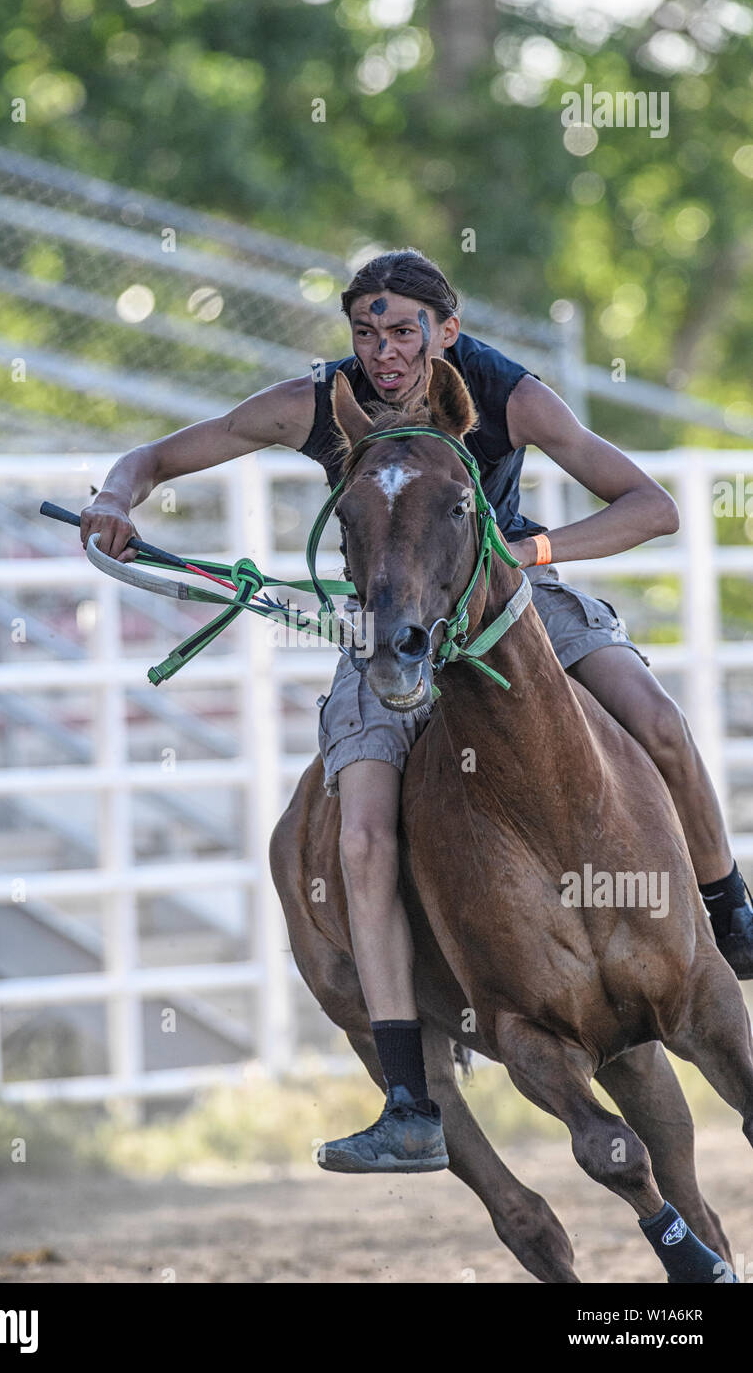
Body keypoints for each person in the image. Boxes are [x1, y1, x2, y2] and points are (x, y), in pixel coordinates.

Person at [80, 247, 753, 1175]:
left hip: (516, 598)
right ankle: (409, 1099)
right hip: (388, 624)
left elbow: (652, 507)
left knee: (659, 721)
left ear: (447, 329)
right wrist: (117, 495)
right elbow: (158, 455)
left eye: (403, 331)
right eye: (367, 332)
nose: (384, 351)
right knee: (360, 834)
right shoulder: (314, 403)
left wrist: (535, 553)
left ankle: (727, 914)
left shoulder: (508, 392)